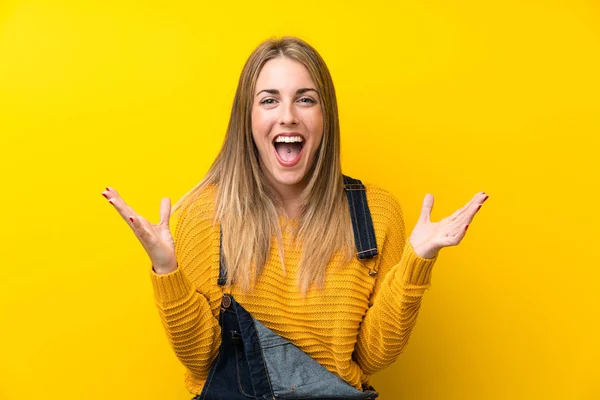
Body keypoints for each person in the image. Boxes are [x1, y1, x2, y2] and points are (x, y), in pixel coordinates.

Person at [102, 36, 488, 399]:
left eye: (305, 99)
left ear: (325, 116)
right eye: (269, 100)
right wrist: (166, 270)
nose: (287, 116)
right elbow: (203, 360)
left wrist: (417, 262)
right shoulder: (204, 215)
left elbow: (372, 357)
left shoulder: (375, 213)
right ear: (247, 119)